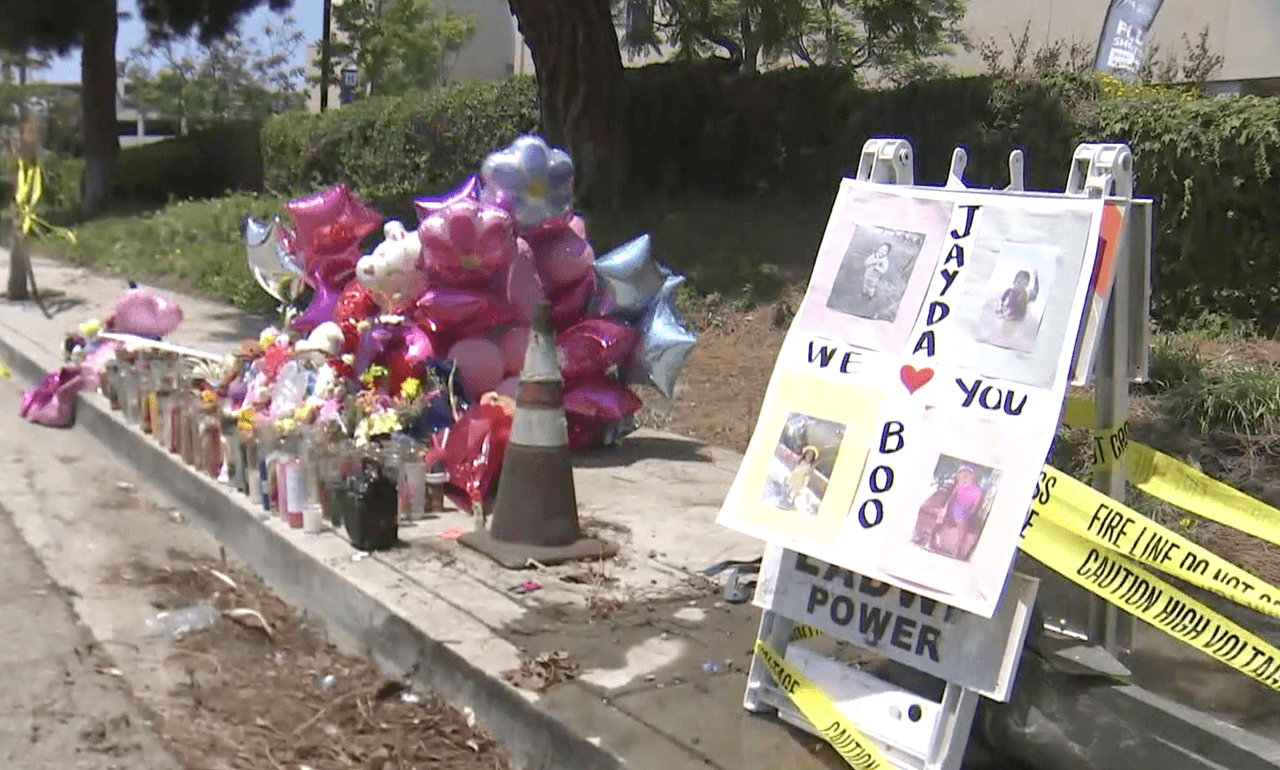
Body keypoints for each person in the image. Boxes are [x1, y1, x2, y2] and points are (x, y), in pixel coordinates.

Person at [931, 466, 986, 559]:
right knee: (939, 517)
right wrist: (945, 509)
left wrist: (969, 515)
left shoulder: (978, 491)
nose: (964, 479)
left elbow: (975, 507)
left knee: (962, 524)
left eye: (966, 476)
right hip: (954, 509)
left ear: (973, 477)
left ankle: (957, 550)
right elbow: (951, 499)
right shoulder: (958, 487)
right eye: (961, 477)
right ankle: (933, 539)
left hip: (965, 513)